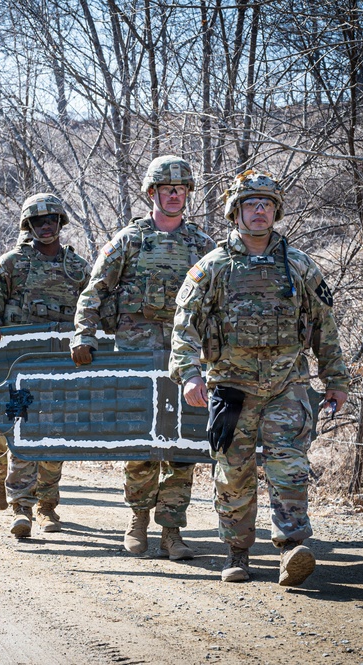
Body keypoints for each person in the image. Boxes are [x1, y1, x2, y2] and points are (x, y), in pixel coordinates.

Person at [170, 170, 350, 586]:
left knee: (289, 467)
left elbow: (324, 326)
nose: (259, 211)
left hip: (287, 386)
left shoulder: (299, 265)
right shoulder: (212, 267)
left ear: (276, 211)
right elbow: (184, 325)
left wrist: (336, 380)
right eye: (250, 204)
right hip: (232, 388)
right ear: (235, 212)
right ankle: (237, 553)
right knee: (233, 473)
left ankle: (291, 548)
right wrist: (189, 375)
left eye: (266, 204)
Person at [72, 155, 215, 560]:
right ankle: (137, 521)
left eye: (181, 189)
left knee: (183, 444)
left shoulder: (201, 245)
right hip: (135, 354)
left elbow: (220, 299)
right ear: (152, 193)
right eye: (167, 189)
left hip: (185, 357)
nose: (175, 195)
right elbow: (94, 291)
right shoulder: (128, 240)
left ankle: (171, 530)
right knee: (141, 440)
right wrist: (83, 335)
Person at [0, 193, 89, 537]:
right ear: (28, 225)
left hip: (60, 367)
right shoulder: (10, 264)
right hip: (18, 367)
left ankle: (46, 506)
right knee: (15, 433)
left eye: (52, 220)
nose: (46, 226)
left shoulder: (78, 268)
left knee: (54, 437)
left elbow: (93, 310)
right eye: (38, 221)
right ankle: (19, 505)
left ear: (60, 223)